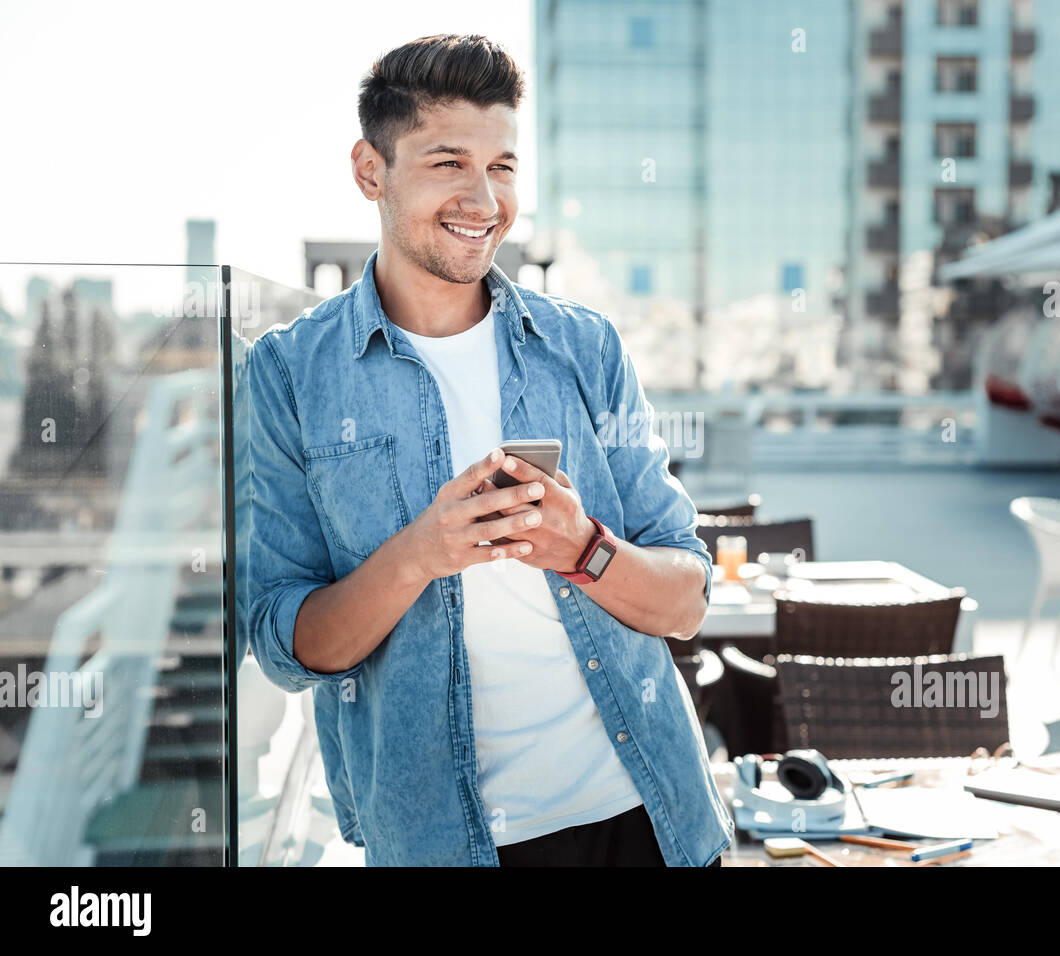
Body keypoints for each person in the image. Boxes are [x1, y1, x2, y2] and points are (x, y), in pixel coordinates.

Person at [244, 34, 732, 867]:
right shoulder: (290, 373)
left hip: (649, 816)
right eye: (448, 163)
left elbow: (687, 601)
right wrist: (420, 555)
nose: (484, 198)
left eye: (502, 166)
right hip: (440, 841)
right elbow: (287, 646)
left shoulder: (585, 348)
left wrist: (584, 550)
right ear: (371, 171)